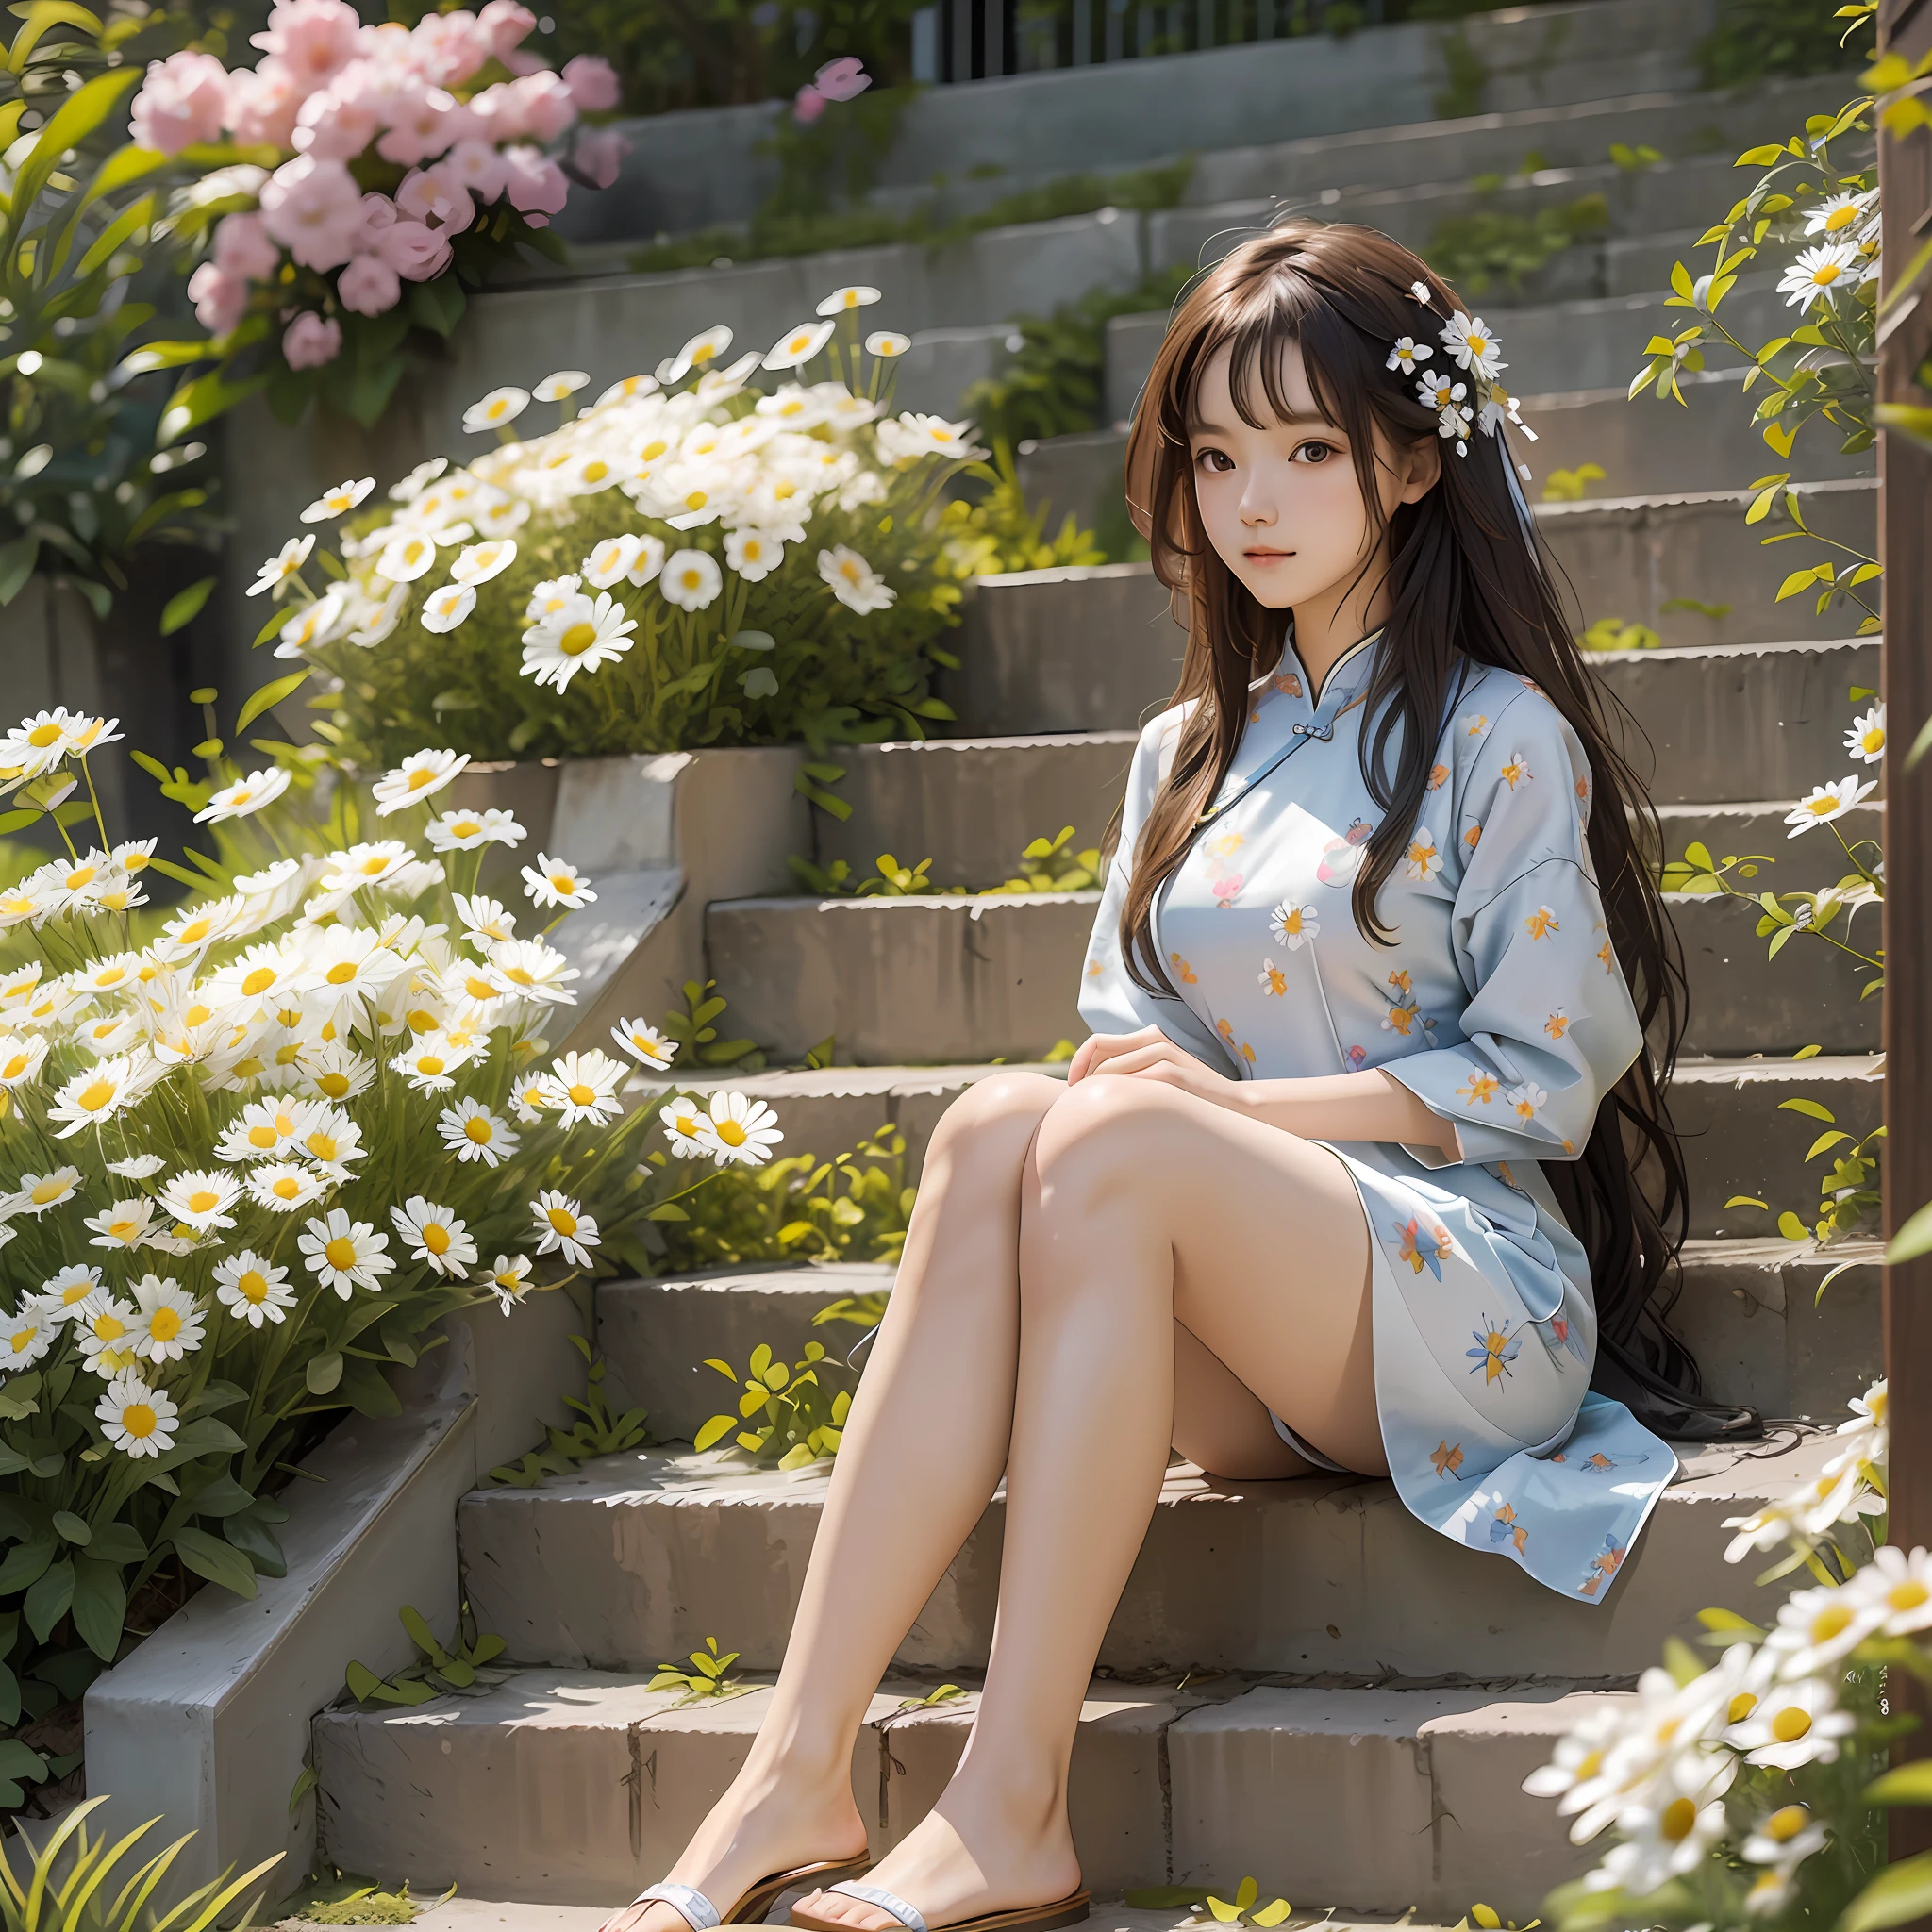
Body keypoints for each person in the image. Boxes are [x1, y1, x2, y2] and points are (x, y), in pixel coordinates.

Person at [602, 219, 1737, 1932]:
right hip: (1230, 1308)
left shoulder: (1502, 732)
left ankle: (1013, 1800)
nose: (1251, 501)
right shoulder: (1185, 747)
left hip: (1458, 1292)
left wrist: (1228, 1116)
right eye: (1216, 456)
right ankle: (796, 1766)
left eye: (1303, 450)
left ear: (1415, 464)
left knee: (1114, 1137)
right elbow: (1127, 1050)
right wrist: (1180, 1113)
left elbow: (1540, 1079)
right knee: (998, 1125)